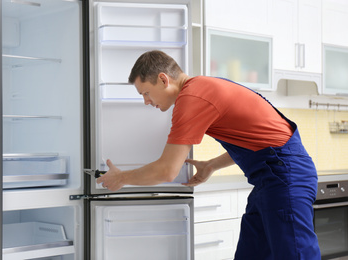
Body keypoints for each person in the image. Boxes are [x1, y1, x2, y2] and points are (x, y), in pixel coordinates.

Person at [96, 50, 321, 259]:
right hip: (272, 177)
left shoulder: (191, 98)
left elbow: (167, 170)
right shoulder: (201, 88)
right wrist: (212, 164)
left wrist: (122, 178)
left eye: (146, 93)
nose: (146, 101)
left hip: (286, 177)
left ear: (164, 80)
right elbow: (259, 141)